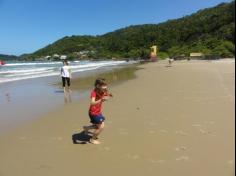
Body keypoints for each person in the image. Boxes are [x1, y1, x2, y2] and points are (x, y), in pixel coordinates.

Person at [83, 78, 113, 144]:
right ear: (98, 86)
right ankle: (92, 140)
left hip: (98, 112)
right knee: (101, 126)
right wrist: (101, 100)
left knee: (98, 126)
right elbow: (92, 103)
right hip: (93, 113)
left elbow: (106, 94)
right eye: (103, 85)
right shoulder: (93, 93)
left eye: (106, 85)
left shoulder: (103, 90)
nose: (105, 87)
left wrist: (109, 95)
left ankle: (87, 128)